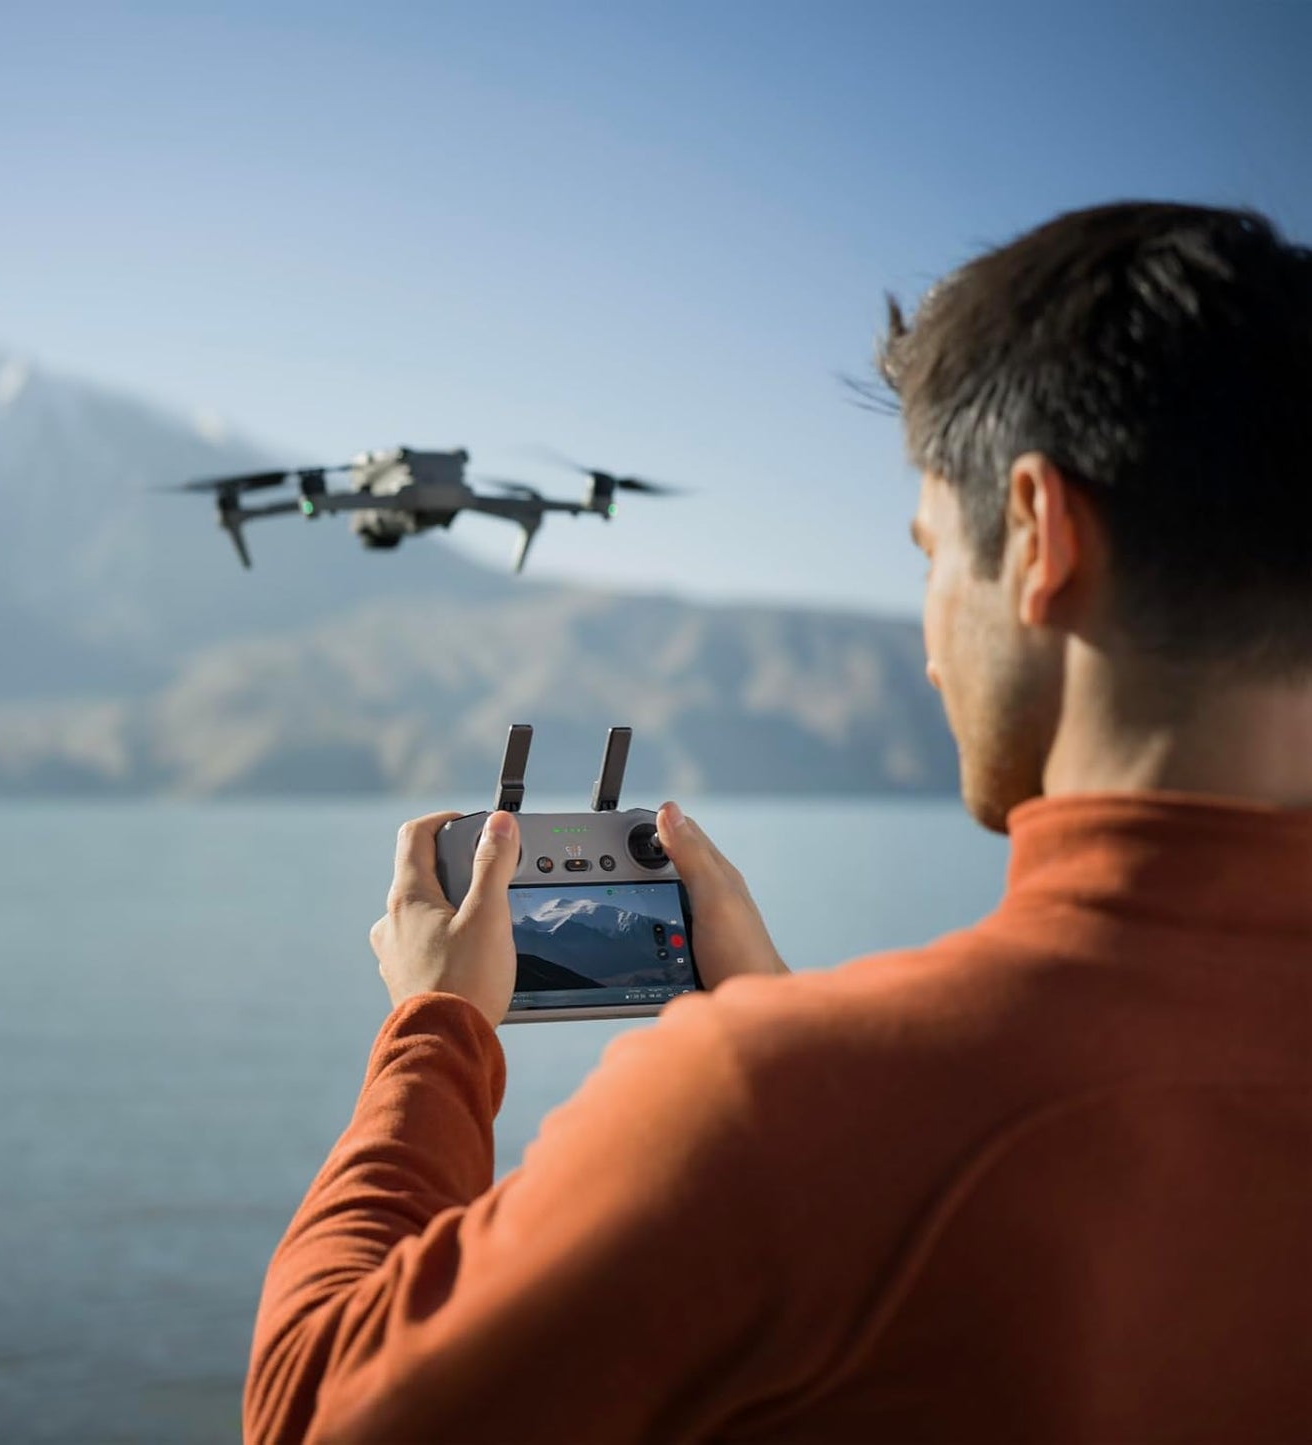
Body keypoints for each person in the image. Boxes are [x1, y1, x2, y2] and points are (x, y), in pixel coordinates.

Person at [245, 202, 1311, 1444]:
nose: (923, 648)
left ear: (1035, 535)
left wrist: (433, 1031)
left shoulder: (777, 1111)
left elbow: (313, 1411)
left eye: (926, 556)